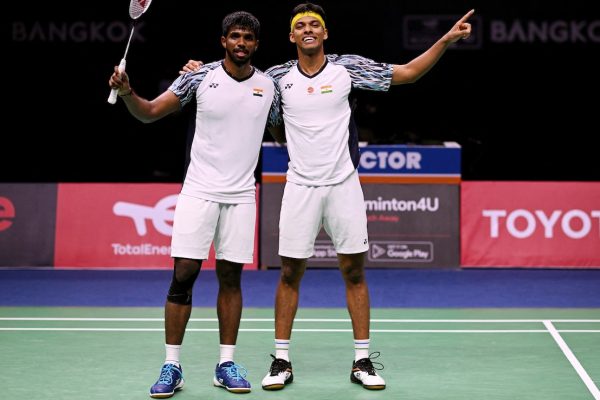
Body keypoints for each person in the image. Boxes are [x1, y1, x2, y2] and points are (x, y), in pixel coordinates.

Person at [184, 2, 473, 392]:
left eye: (314, 24)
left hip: (343, 185)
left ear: (324, 33)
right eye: (300, 25)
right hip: (299, 187)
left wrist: (445, 40)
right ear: (291, 35)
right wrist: (198, 71)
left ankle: (362, 361)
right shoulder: (277, 78)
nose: (308, 29)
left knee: (353, 272)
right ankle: (281, 360)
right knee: (290, 273)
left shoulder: (347, 69)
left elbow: (407, 73)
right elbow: (237, 84)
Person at [109, 11, 280, 397]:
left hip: (241, 196)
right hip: (198, 192)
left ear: (256, 44)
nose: (241, 43)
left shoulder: (268, 86)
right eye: (234, 36)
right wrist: (127, 92)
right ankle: (172, 365)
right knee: (183, 275)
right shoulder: (198, 77)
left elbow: (284, 133)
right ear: (223, 41)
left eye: (248, 38)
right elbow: (150, 112)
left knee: (231, 279)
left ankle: (226, 364)